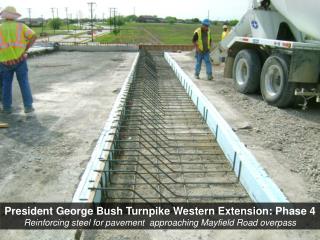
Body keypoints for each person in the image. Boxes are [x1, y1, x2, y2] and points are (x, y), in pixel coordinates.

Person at [0, 6, 36, 114]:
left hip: (4, 61)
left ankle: (6, 108)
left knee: (6, 84)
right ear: (14, 16)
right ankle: (28, 107)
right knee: (24, 82)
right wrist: (25, 49)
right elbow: (33, 36)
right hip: (20, 59)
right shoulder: (21, 26)